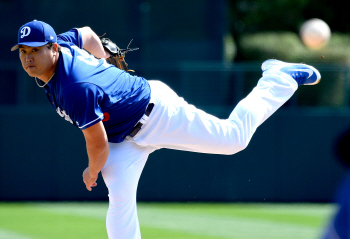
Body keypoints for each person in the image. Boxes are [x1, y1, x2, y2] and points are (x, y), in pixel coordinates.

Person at [12, 20, 321, 239]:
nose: (28, 58)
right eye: (23, 52)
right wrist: (104, 62)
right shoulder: (62, 47)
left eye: (34, 51)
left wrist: (92, 172)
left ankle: (278, 77)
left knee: (233, 138)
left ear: (52, 47)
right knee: (120, 199)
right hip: (126, 133)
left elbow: (98, 145)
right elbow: (89, 34)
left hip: (157, 114)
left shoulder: (75, 88)